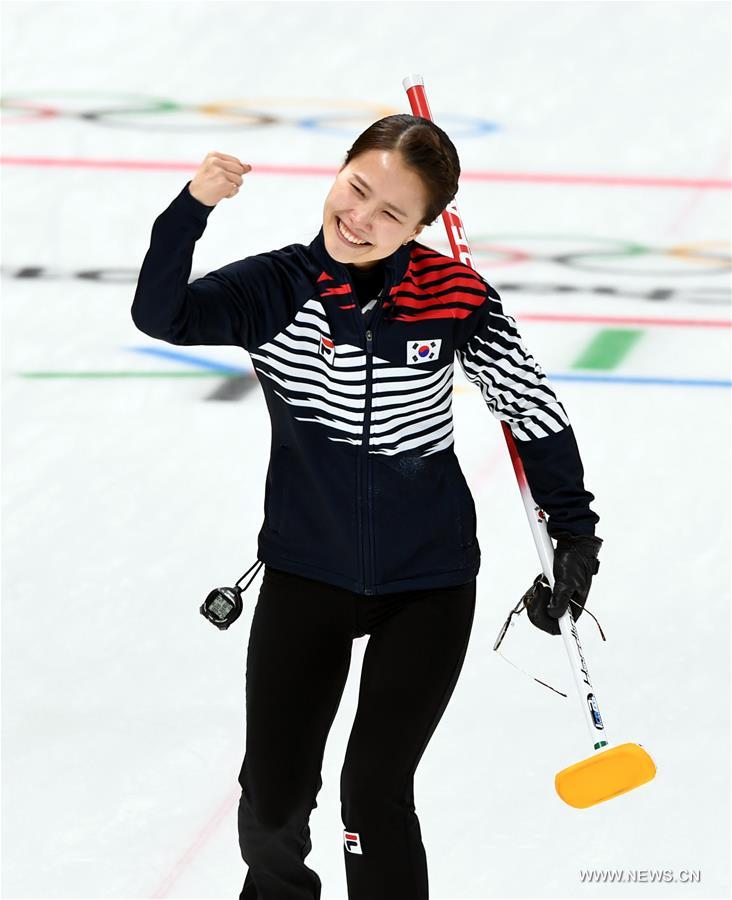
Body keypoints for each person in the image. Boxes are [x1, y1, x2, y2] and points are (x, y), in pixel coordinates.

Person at [131, 114, 602, 900]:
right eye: (356, 190)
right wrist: (190, 208)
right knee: (273, 805)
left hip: (428, 584)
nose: (361, 219)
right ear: (340, 171)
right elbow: (163, 315)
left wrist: (575, 539)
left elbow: (533, 413)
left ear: (422, 226)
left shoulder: (455, 297)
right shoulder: (274, 287)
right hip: (305, 574)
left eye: (392, 214)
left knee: (374, 797)